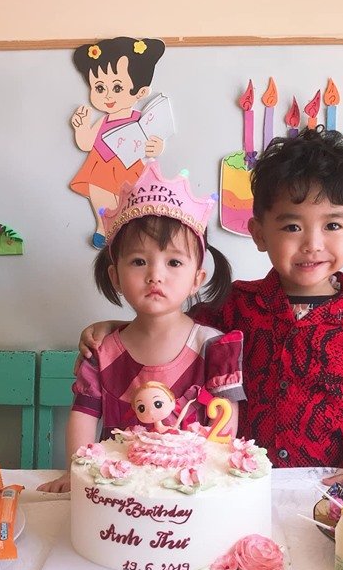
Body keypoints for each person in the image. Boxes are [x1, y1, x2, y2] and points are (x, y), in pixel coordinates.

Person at [79, 129, 343, 485]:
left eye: (332, 225)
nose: (312, 244)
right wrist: (116, 328)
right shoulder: (234, 306)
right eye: (292, 226)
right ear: (259, 233)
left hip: (330, 490)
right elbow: (170, 327)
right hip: (237, 486)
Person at [38, 162, 244, 493]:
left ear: (197, 279)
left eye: (174, 262)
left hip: (193, 491)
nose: (155, 275)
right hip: (117, 494)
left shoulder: (212, 347)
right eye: (138, 261)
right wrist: (74, 473)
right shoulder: (102, 351)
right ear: (115, 277)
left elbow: (225, 422)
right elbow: (84, 414)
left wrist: (214, 479)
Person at [69, 37, 167, 249]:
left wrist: (156, 147)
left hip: (128, 166)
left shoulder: (139, 119)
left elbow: (153, 141)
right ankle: (103, 228)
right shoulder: (103, 120)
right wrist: (81, 127)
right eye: (99, 88)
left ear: (141, 92)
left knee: (128, 203)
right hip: (101, 166)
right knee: (101, 199)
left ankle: (127, 233)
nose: (107, 96)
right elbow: (86, 144)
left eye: (117, 87)